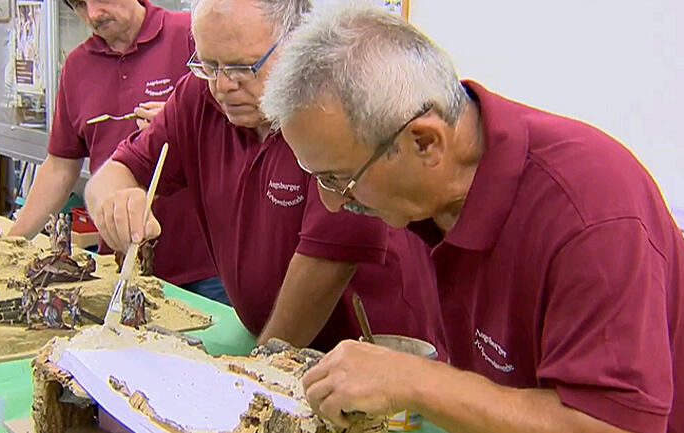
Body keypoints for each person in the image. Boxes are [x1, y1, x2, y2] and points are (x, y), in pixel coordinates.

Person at [261, 5, 684, 433]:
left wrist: (415, 381)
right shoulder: (425, 198)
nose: (336, 203)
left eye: (340, 178)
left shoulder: (590, 211)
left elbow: (610, 425)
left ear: (425, 143)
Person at [85, 0, 441, 353]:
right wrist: (116, 202)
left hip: (373, 353)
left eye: (243, 67)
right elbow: (115, 173)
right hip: (273, 339)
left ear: (298, 44)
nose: (223, 85)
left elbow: (326, 264)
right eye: (209, 65)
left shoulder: (332, 109)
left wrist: (264, 362)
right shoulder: (199, 98)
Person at [7, 0, 225, 304]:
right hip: (121, 263)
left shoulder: (191, 33)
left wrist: (184, 116)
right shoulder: (77, 67)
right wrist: (14, 242)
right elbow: (60, 166)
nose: (94, 14)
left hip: (206, 266)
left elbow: (244, 124)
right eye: (80, 5)